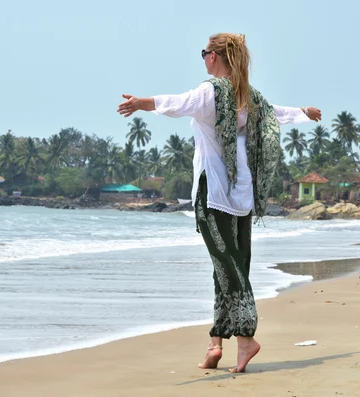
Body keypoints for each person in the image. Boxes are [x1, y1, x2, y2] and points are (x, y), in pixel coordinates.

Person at [117, 33, 321, 373]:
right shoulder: (247, 95)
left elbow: (177, 103)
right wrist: (303, 112)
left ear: (214, 57)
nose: (203, 59)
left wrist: (141, 103)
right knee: (225, 265)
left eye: (204, 53)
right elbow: (277, 113)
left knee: (228, 267)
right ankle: (216, 343)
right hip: (242, 192)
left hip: (214, 191)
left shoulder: (210, 92)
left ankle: (245, 339)